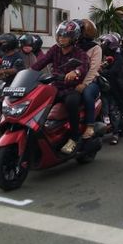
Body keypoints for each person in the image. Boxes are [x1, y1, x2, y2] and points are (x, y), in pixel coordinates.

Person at [31, 20, 90, 154]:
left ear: (73, 38)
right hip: (55, 87)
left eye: (65, 36)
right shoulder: (55, 50)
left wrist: (76, 72)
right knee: (38, 101)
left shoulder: (79, 53)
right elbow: (40, 63)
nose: (61, 38)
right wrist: (26, 72)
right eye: (60, 35)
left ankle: (74, 138)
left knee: (71, 102)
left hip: (71, 89)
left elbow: (84, 66)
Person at [74, 20, 102, 142]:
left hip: (90, 81)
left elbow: (93, 68)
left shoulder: (96, 48)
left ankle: (90, 126)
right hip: (72, 80)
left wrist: (84, 84)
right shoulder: (72, 46)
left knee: (87, 95)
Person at [99, 33, 123, 144]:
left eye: (105, 43)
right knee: (103, 109)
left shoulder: (118, 56)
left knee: (111, 110)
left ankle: (115, 133)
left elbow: (114, 71)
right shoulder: (102, 55)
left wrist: (103, 71)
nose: (103, 45)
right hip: (103, 85)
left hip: (114, 87)